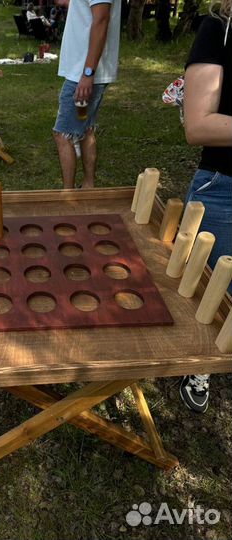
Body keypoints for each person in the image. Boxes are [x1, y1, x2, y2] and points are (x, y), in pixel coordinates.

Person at [179, 0, 231, 414]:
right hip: (225, 186)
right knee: (209, 290)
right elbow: (197, 124)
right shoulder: (220, 27)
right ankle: (200, 365)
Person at [53, 0, 121, 189]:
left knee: (62, 134)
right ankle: (88, 186)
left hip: (84, 74)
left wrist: (87, 73)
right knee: (85, 128)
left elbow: (101, 19)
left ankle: (68, 195)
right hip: (84, 72)